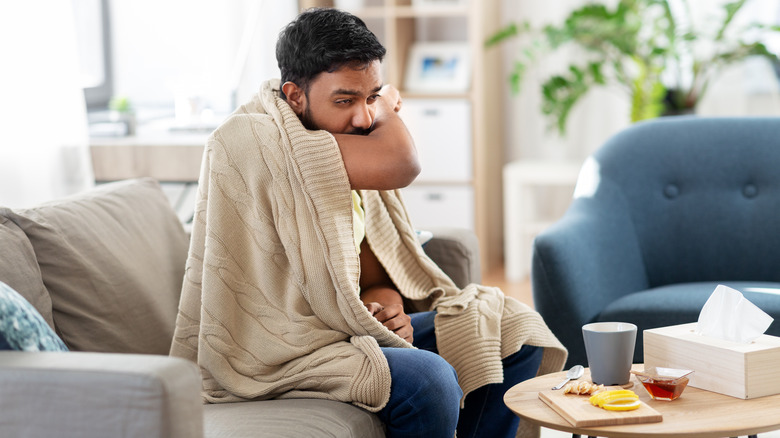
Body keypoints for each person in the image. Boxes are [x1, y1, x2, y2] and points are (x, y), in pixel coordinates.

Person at [170, 8, 567, 438]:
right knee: (429, 380)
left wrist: (389, 309)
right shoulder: (253, 138)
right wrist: (389, 104)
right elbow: (402, 161)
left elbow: (370, 276)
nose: (363, 118)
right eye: (346, 100)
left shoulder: (334, 149)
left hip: (345, 330)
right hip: (282, 351)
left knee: (512, 326)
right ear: (295, 94)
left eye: (371, 96)